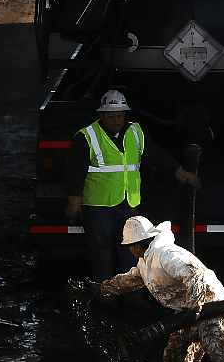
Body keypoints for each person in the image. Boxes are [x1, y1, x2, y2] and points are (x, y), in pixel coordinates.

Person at [75, 216, 224, 362]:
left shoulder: (165, 255)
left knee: (218, 354)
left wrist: (196, 309)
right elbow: (130, 280)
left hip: (212, 308)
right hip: (188, 312)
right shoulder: (146, 262)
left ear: (136, 246)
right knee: (174, 354)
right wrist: (101, 289)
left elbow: (194, 274)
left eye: (129, 246)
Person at [64, 89, 199, 281]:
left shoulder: (135, 133)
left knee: (132, 251)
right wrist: (74, 204)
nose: (117, 120)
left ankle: (131, 295)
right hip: (99, 206)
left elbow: (158, 155)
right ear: (102, 115)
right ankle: (108, 295)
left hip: (128, 204)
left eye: (120, 115)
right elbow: (75, 172)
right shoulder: (87, 137)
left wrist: (182, 174)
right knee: (103, 252)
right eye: (111, 116)